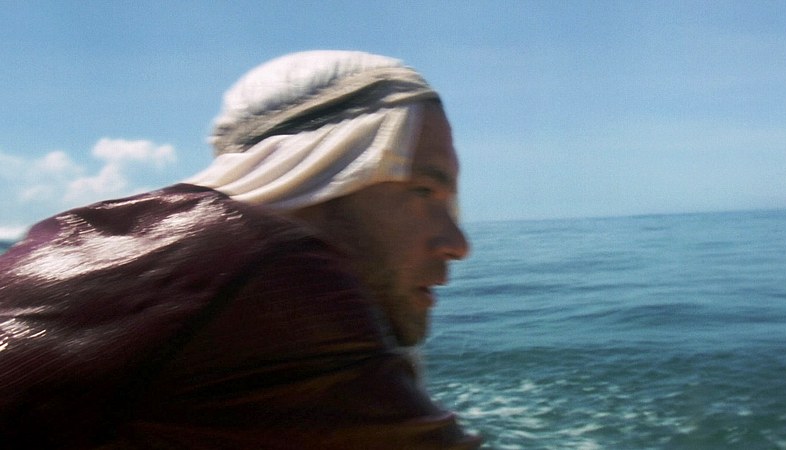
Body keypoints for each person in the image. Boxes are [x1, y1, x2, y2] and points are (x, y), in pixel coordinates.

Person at [0, 50, 481, 449]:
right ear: (323, 169)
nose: (457, 244)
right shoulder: (275, 270)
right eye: (423, 191)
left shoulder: (69, 237)